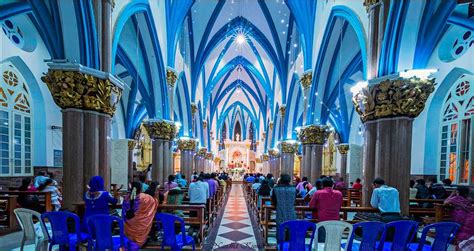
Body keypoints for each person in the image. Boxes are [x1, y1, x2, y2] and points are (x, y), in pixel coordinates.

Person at [122, 182, 158, 249]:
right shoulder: (145, 197)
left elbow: (124, 211)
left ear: (131, 187)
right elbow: (155, 201)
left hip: (128, 225)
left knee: (129, 241)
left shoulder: (127, 197)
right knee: (136, 242)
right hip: (139, 225)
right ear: (141, 188)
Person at [309, 177, 343, 242]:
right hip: (336, 220)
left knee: (322, 242)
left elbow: (311, 205)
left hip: (323, 220)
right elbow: (340, 206)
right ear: (333, 185)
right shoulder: (339, 193)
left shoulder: (318, 193)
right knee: (333, 242)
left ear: (322, 185)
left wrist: (318, 205)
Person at [271, 174, 297, 240]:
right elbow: (294, 200)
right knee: (291, 231)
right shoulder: (294, 189)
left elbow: (274, 201)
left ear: (281, 180)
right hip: (291, 212)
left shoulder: (276, 188)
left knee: (280, 231)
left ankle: (280, 246)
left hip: (280, 212)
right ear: (289, 180)